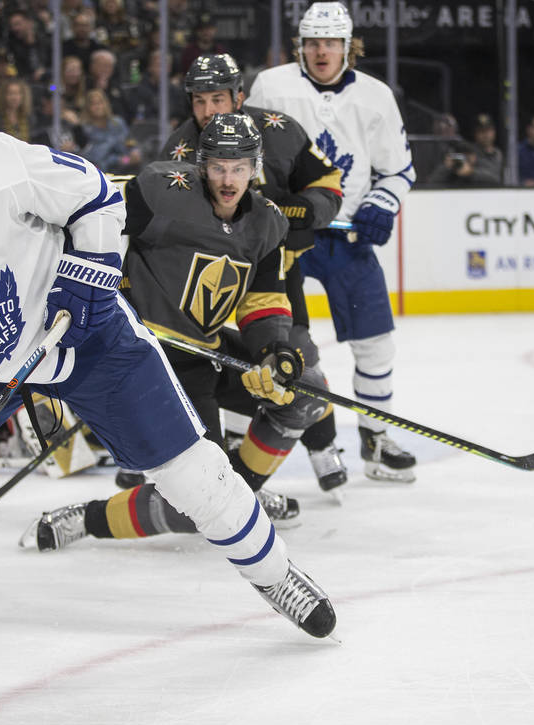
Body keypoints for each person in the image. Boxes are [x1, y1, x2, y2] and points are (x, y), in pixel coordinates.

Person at [0, 86, 337, 659]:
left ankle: (275, 575)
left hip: (84, 334)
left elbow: (95, 194)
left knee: (191, 470)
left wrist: (90, 268)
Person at [24, 112, 339, 553]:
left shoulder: (267, 222)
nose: (229, 180)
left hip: (204, 351)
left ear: (256, 167)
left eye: (240, 168)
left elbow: (262, 301)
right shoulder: (160, 191)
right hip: (148, 356)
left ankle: (241, 496)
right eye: (218, 168)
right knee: (194, 506)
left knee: (304, 393)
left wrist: (273, 351)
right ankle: (89, 519)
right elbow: (94, 222)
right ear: (202, 164)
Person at [159, 52, 348, 496]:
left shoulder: (279, 132)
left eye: (218, 99)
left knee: (294, 354)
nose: (208, 112)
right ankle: (180, 453)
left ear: (239, 96)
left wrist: (309, 210)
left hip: (272, 270)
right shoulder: (179, 151)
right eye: (200, 101)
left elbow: (330, 183)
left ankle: (323, 446)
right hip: (206, 281)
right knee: (204, 365)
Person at [246, 2, 418, 482]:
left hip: (347, 238)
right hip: (282, 236)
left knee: (376, 343)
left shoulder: (376, 96)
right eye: (313, 43)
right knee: (275, 344)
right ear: (300, 45)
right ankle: (256, 445)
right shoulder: (272, 86)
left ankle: (376, 441)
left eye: (332, 43)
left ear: (349, 47)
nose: (322, 52)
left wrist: (382, 203)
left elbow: (399, 169)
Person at [468, 113, 503, 185]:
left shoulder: (499, 153)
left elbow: (496, 178)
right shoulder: (469, 151)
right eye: (481, 131)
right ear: (475, 134)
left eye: (488, 130)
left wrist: (471, 172)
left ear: (494, 132)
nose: (485, 134)